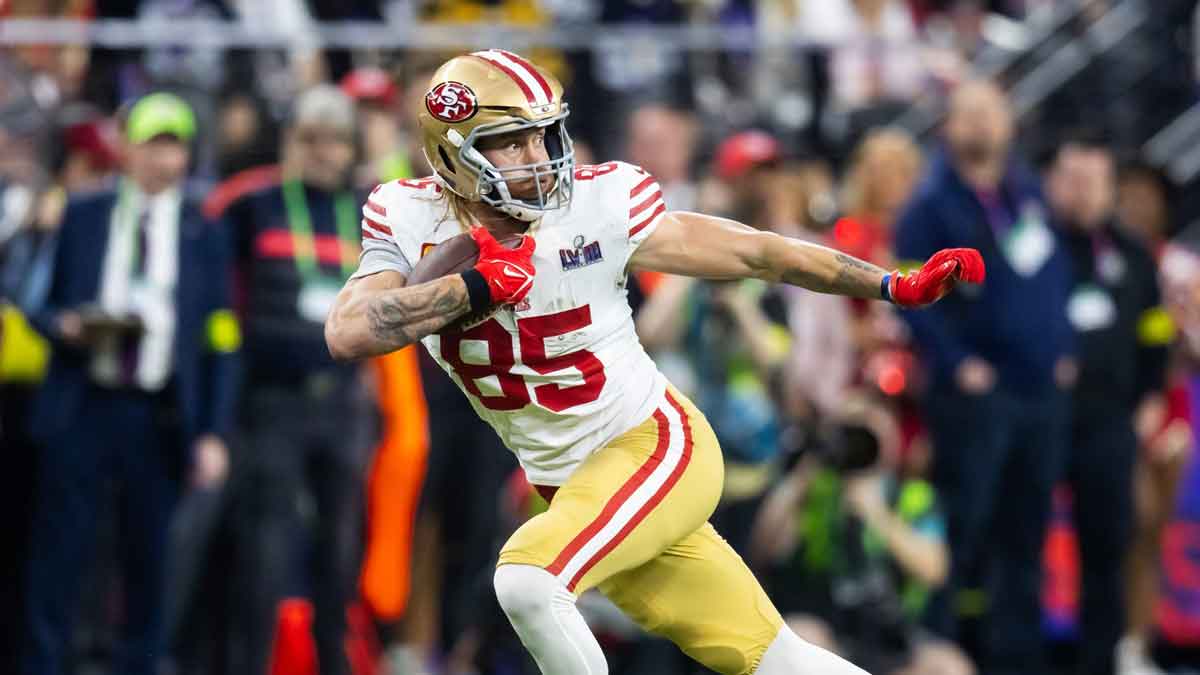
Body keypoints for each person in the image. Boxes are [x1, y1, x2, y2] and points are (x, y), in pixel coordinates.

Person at [324, 49, 983, 675]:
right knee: (773, 656)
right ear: (452, 153)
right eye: (513, 141)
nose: (539, 157)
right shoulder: (406, 213)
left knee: (525, 578)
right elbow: (350, 332)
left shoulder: (599, 203)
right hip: (573, 486)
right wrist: (471, 288)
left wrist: (891, 284)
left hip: (656, 445)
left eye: (545, 135)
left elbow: (759, 253)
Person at [22, 92, 238, 675]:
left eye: (176, 147)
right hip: (84, 403)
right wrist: (64, 325)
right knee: (59, 555)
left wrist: (213, 430)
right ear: (126, 147)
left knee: (150, 558)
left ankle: (140, 664)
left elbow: (221, 337)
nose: (164, 161)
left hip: (160, 411)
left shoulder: (203, 230)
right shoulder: (81, 213)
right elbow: (35, 301)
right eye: (153, 145)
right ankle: (44, 662)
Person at [892, 79, 1075, 675]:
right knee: (963, 531)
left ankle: (1017, 660)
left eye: (990, 115)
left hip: (1038, 391)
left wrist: (1063, 347)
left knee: (1026, 533)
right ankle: (942, 654)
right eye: (967, 116)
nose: (980, 127)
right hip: (974, 396)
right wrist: (955, 365)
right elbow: (911, 293)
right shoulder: (929, 206)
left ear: (1010, 124)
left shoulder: (1028, 195)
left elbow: (1056, 278)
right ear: (948, 127)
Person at [214, 84, 371, 675]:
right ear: (288, 142)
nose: (322, 152)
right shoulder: (250, 204)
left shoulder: (367, 212)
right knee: (266, 549)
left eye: (335, 141)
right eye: (309, 139)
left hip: (343, 402)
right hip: (273, 401)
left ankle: (334, 663)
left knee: (339, 551)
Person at [1046, 135, 1169, 675]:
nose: (1082, 193)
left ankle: (1102, 661)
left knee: (1109, 546)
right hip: (1041, 417)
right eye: (1072, 180)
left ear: (1109, 186)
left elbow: (1156, 329)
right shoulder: (1033, 246)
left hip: (1109, 423)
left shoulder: (1134, 251)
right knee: (1019, 540)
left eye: (1093, 182)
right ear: (1055, 182)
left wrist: (1151, 395)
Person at [749, 392, 974, 675]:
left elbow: (935, 570)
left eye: (871, 434)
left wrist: (876, 513)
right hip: (832, 633)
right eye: (853, 432)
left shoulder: (913, 495)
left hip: (895, 637)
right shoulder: (819, 492)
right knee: (798, 636)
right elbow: (763, 548)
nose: (862, 445)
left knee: (950, 667)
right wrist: (802, 477)